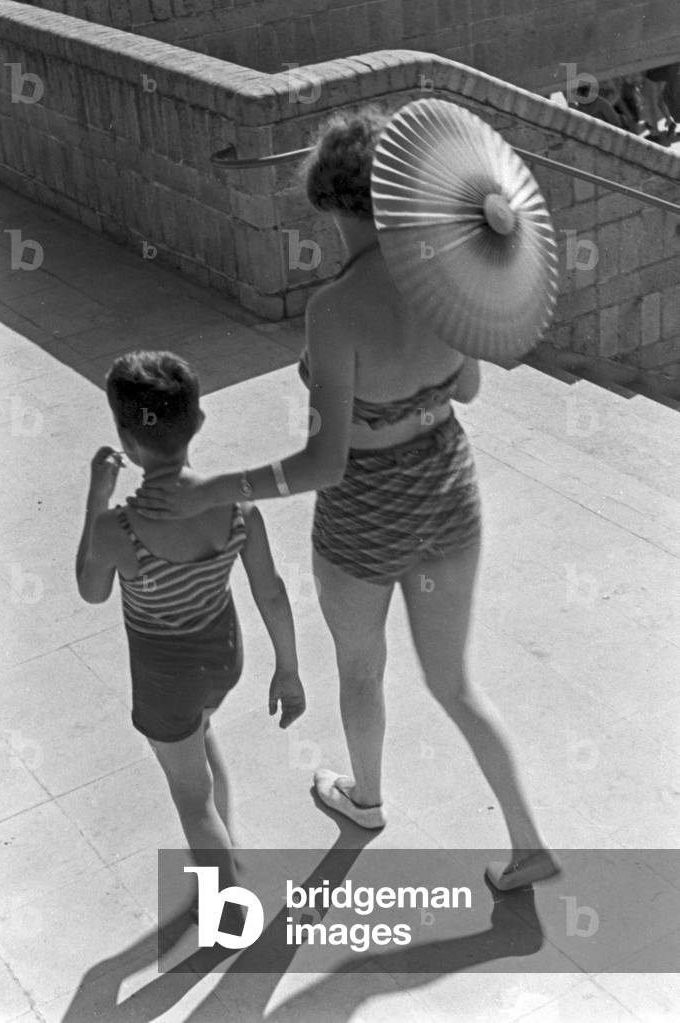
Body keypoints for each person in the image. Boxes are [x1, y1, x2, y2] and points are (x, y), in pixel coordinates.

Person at [129, 108, 559, 891]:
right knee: (455, 682)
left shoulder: (333, 309)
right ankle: (528, 839)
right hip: (446, 490)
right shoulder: (444, 281)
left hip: (364, 513)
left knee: (361, 671)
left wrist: (216, 485)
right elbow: (464, 384)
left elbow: (324, 464)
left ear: (329, 204)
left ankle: (365, 797)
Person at [76, 350, 305, 892]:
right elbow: (270, 593)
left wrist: (96, 497)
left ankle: (228, 908)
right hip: (222, 660)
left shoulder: (119, 528)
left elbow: (91, 590)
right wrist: (289, 669)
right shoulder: (238, 509)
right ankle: (230, 851)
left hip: (164, 680)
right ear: (198, 421)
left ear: (127, 442)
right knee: (200, 745)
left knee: (190, 797)